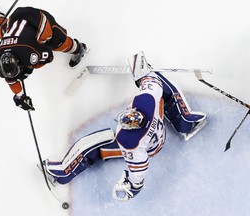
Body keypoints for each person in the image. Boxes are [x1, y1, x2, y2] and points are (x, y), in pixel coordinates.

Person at [43, 52, 207, 201]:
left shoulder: (131, 145)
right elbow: (152, 81)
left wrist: (131, 188)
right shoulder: (148, 100)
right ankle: (185, 123)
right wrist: (142, 70)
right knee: (161, 84)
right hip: (157, 132)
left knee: (92, 143)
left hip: (150, 148)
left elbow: (138, 172)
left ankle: (63, 173)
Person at [0, 5, 88, 111]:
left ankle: (79, 48)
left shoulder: (29, 54)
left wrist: (31, 66)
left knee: (57, 41)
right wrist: (19, 96)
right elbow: (10, 78)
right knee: (4, 32)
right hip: (16, 17)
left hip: (38, 19)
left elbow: (49, 56)